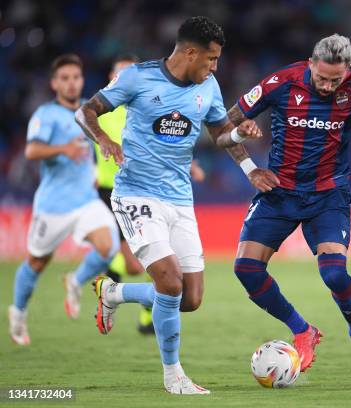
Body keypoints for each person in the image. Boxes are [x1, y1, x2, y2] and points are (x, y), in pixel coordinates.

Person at [224, 34, 351, 382]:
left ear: (346, 71)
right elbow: (226, 122)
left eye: (334, 80)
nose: (326, 85)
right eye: (321, 78)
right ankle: (303, 330)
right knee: (246, 269)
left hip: (327, 195)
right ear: (310, 63)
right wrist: (250, 168)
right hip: (279, 192)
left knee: (335, 274)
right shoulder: (281, 83)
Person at [75, 16, 262, 395]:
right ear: (190, 53)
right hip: (135, 195)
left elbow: (221, 134)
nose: (214, 67)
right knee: (170, 281)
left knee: (190, 298)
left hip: (179, 199)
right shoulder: (137, 78)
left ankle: (114, 293)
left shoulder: (207, 86)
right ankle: (173, 375)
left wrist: (248, 161)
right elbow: (87, 111)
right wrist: (104, 142)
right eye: (210, 59)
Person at [9, 54, 120, 345]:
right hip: (53, 205)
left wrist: (95, 169)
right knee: (36, 262)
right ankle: (18, 313)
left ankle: (74, 280)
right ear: (54, 83)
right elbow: (31, 151)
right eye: (65, 78)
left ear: (82, 80)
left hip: (85, 201)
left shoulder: (88, 112)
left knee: (109, 246)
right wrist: (62, 149)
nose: (71, 84)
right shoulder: (46, 115)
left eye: (76, 77)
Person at [95, 54, 207, 334]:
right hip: (118, 192)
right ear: (111, 77)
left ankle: (125, 300)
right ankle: (111, 280)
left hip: (158, 192)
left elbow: (165, 144)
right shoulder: (107, 114)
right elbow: (90, 140)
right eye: (118, 73)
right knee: (141, 267)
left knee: (173, 281)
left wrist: (189, 164)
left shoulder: (145, 106)